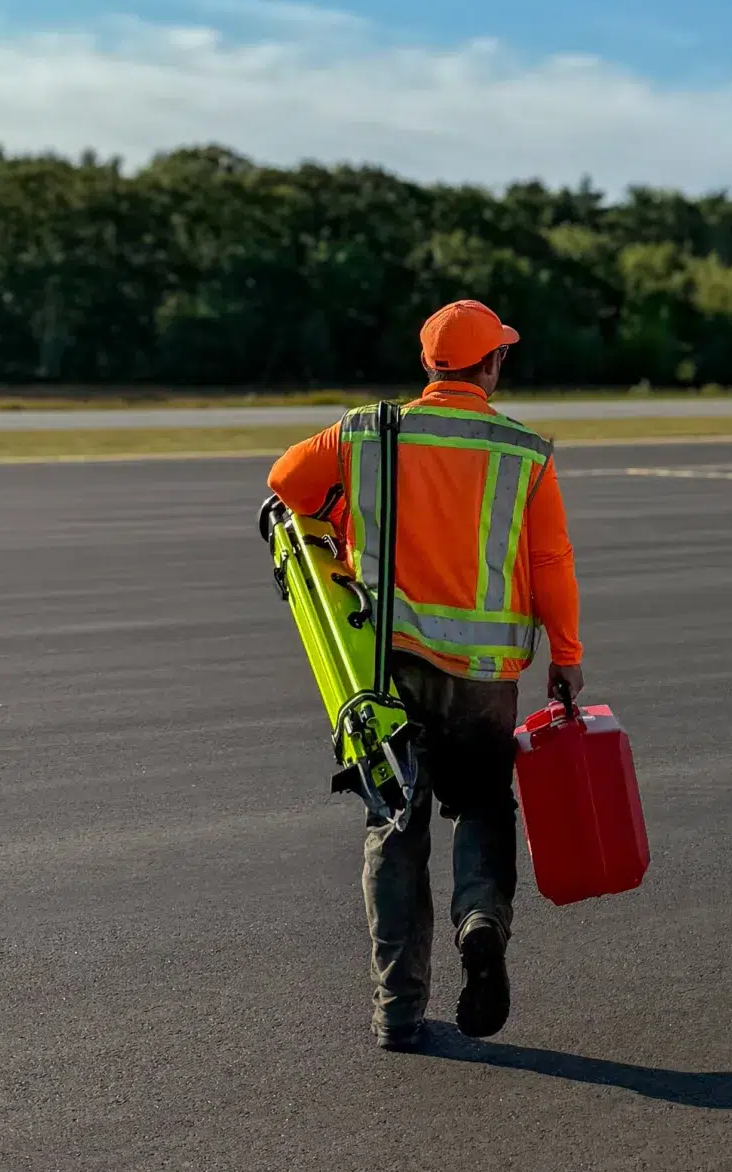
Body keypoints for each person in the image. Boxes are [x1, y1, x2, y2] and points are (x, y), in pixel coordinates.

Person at [267, 299, 583, 1052]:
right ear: (492, 365)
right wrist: (566, 656)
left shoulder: (370, 432)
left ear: (428, 365)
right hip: (483, 678)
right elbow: (550, 564)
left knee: (393, 826)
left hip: (385, 670)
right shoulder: (522, 452)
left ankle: (398, 1011)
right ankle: (480, 920)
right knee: (481, 809)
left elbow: (285, 481)